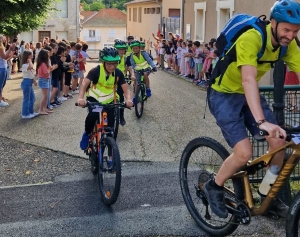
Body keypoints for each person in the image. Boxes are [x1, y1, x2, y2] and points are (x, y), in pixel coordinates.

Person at [204, 0, 300, 219]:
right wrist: (261, 122)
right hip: (224, 94)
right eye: (287, 29)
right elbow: (248, 79)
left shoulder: (289, 44)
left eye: (296, 31)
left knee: (278, 143)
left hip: (248, 95)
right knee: (244, 153)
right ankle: (214, 186)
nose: (291, 36)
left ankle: (267, 195)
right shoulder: (252, 37)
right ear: (273, 22)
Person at [77, 47, 133, 150]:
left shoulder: (118, 73)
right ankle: (87, 134)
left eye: (114, 63)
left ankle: (111, 152)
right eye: (109, 64)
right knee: (93, 115)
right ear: (103, 63)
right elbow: (84, 84)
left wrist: (129, 100)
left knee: (110, 126)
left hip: (110, 100)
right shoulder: (95, 71)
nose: (112, 67)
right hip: (96, 99)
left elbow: (126, 89)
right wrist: (81, 98)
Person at [114, 40, 135, 126]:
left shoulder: (126, 58)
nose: (121, 51)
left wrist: (132, 75)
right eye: (119, 49)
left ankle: (121, 116)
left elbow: (130, 68)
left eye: (123, 49)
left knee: (121, 99)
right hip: (111, 79)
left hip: (121, 80)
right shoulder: (112, 57)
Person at [20, 50, 38, 119]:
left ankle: (30, 112)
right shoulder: (24, 65)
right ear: (27, 56)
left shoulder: (27, 64)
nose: (32, 56)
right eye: (31, 55)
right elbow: (31, 67)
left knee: (32, 98)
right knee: (27, 99)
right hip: (26, 82)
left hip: (29, 81)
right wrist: (29, 61)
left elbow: (30, 73)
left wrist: (33, 80)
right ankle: (25, 114)